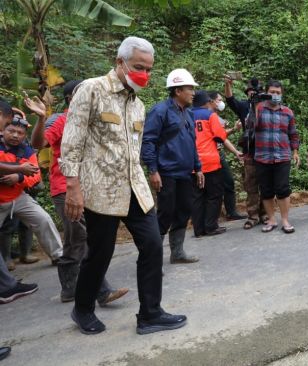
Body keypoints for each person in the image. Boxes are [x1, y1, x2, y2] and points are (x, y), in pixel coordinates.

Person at [61, 36, 187, 335]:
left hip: (134, 188)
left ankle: (150, 314)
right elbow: (72, 141)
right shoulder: (91, 90)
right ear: (120, 62)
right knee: (100, 254)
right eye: (138, 66)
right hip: (100, 190)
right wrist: (72, 186)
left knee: (154, 244)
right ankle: (82, 309)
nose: (144, 73)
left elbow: (134, 149)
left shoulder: (138, 105)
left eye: (148, 68)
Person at [30, 80, 129, 304]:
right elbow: (39, 143)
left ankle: (69, 288)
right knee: (84, 238)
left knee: (75, 241)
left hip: (90, 189)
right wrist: (41, 118)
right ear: (72, 99)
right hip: (66, 190)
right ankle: (101, 292)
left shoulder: (93, 120)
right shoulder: (62, 120)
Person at [142, 68, 203, 264]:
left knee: (184, 210)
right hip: (166, 172)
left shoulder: (189, 113)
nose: (193, 93)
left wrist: (198, 167)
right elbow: (148, 141)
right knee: (164, 214)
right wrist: (153, 170)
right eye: (189, 89)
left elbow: (191, 141)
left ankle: (177, 252)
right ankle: (153, 260)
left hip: (185, 172)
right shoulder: (160, 111)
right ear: (177, 91)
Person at [0, 112, 64, 271]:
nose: (15, 135)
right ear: (3, 130)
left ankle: (59, 255)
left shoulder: (27, 150)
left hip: (17, 196)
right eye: (11, 131)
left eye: (20, 133)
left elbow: (35, 175)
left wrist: (19, 177)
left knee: (43, 219)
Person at [190, 90, 242, 237]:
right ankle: (211, 226)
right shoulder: (210, 115)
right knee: (214, 195)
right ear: (207, 102)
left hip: (192, 163)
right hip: (210, 161)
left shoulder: (186, 115)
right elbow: (220, 136)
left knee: (197, 197)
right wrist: (226, 130)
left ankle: (199, 229)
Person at [255, 80, 300, 233]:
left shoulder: (287, 112)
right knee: (266, 190)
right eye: (272, 92)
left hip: (282, 156)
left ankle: (285, 220)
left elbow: (293, 134)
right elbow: (250, 126)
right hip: (262, 156)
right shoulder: (259, 109)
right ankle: (272, 220)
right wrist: (254, 104)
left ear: (282, 94)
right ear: (267, 93)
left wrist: (295, 152)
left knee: (283, 189)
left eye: (278, 92)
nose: (275, 95)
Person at [224, 76, 267, 229]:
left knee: (266, 185)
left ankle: (265, 214)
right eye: (250, 92)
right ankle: (252, 216)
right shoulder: (244, 107)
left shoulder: (268, 106)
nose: (253, 94)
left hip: (266, 151)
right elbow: (230, 100)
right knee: (251, 185)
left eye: (256, 91)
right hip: (250, 151)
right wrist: (228, 84)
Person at [0, 161, 40, 306]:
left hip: (17, 194)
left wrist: (20, 175)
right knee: (8, 228)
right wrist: (20, 169)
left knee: (23, 224)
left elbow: (35, 172)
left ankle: (6, 284)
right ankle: (6, 286)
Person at [207, 91, 246, 221]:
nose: (221, 102)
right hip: (211, 155)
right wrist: (234, 129)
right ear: (211, 101)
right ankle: (215, 217)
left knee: (226, 183)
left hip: (218, 153)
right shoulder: (209, 116)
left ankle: (230, 211)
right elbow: (220, 136)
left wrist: (235, 152)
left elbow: (222, 138)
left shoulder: (216, 117)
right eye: (218, 100)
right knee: (219, 185)